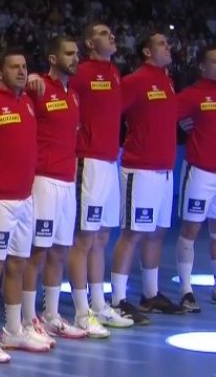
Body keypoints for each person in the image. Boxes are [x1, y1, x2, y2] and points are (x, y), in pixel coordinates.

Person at [0, 47, 50, 358]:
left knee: (17, 264)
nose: (21, 71)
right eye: (14, 67)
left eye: (24, 66)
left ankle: (14, 330)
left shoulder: (28, 102)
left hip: (25, 199)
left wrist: (35, 77)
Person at [110, 32, 184, 318]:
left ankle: (150, 295)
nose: (168, 46)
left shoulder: (168, 81)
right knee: (133, 233)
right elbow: (109, 113)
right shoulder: (134, 81)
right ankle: (118, 299)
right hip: (140, 170)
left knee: (157, 232)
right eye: (162, 43)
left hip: (165, 171)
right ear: (147, 51)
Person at [67, 22, 135, 329]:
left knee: (102, 237)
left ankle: (99, 304)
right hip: (88, 162)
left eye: (111, 32)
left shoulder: (115, 72)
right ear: (90, 43)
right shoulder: (80, 73)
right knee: (84, 238)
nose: (112, 36)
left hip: (110, 161)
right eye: (104, 34)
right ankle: (82, 312)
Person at [22, 35, 89, 341]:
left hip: (67, 181)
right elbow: (13, 93)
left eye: (77, 53)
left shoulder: (72, 94)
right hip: (43, 180)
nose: (76, 58)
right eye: (69, 53)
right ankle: (27, 318)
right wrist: (29, 80)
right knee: (37, 250)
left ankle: (50, 315)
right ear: (53, 58)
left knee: (60, 250)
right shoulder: (37, 88)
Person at [175, 41, 216, 310]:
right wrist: (185, 125)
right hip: (199, 172)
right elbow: (166, 117)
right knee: (190, 229)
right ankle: (186, 291)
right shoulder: (193, 94)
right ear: (202, 66)